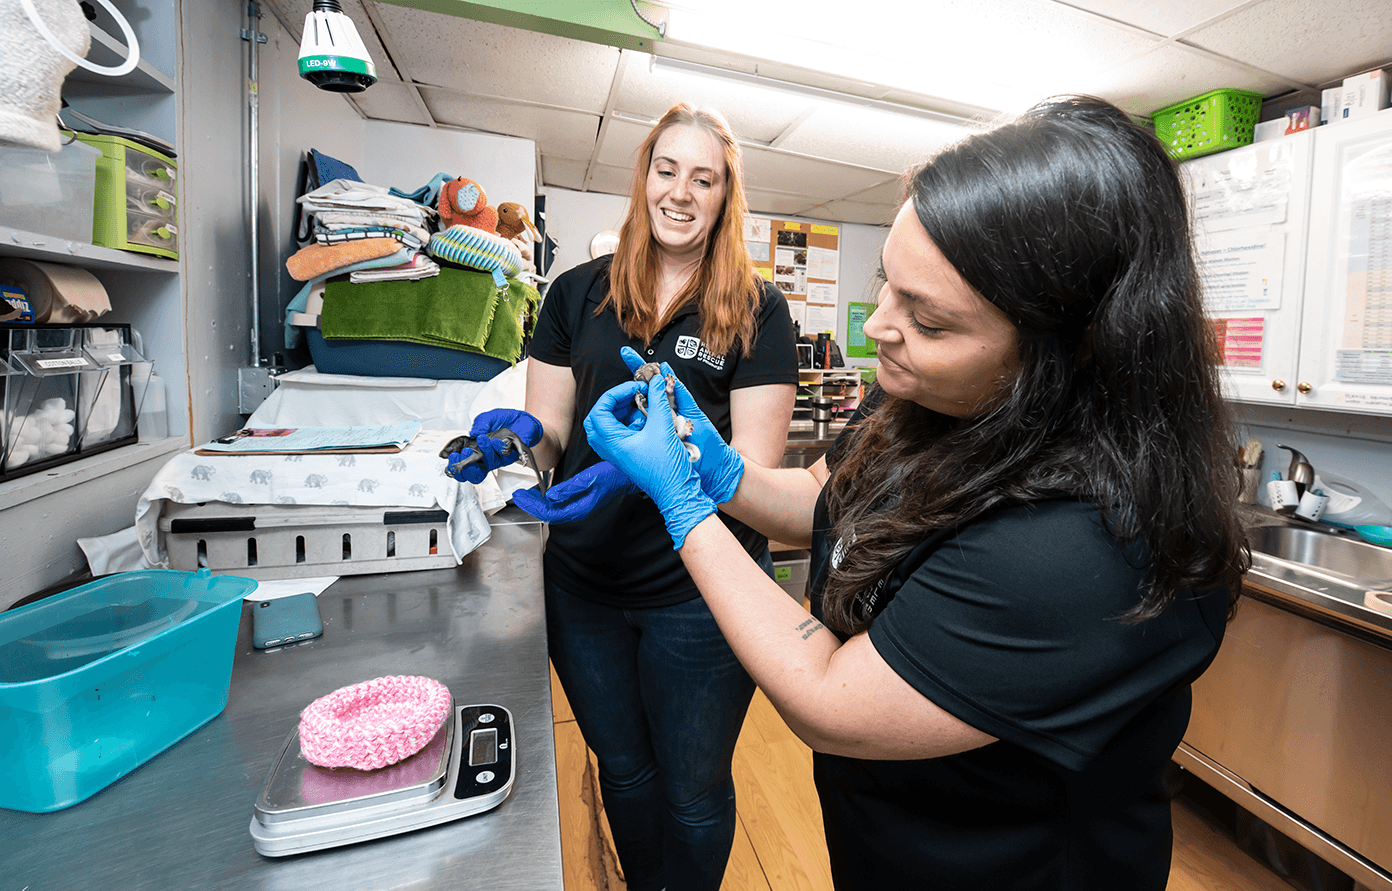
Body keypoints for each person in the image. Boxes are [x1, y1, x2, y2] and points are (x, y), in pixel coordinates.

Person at [582, 95, 1251, 891]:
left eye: (928, 321)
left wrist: (682, 508)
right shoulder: (921, 397)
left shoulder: (1084, 546)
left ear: (1065, 351)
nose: (879, 330)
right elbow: (820, 499)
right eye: (885, 286)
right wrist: (716, 468)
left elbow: (827, 697)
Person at [447, 103, 798, 890]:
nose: (681, 192)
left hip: (702, 595)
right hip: (586, 587)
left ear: (723, 195)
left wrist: (651, 467)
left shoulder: (757, 309)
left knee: (694, 787)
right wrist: (514, 441)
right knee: (627, 770)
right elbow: (551, 435)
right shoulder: (577, 294)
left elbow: (754, 477)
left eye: (703, 178)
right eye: (666, 170)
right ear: (642, 177)